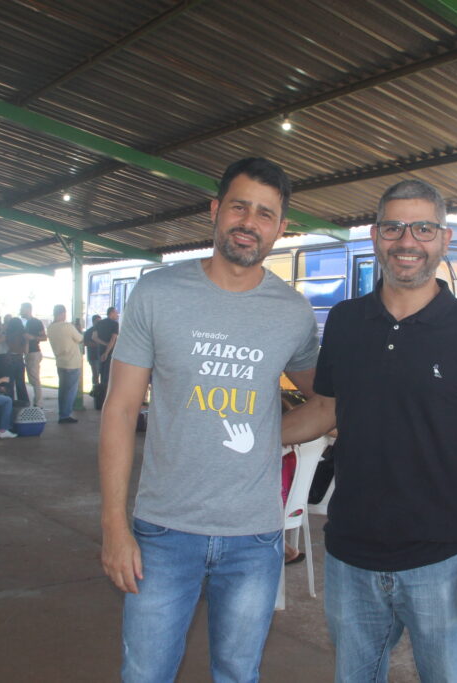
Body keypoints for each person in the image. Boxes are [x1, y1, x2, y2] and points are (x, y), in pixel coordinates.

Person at [282, 179, 457, 682]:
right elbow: (326, 409)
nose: (407, 241)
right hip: (351, 556)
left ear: (444, 239)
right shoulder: (345, 322)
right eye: (393, 227)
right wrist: (250, 436)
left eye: (423, 228)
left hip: (443, 560)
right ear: (375, 235)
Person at [98, 157, 320, 682]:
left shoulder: (292, 312)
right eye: (239, 206)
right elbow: (120, 408)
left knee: (238, 674)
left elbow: (328, 403)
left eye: (266, 213)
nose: (250, 221)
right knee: (145, 673)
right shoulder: (157, 293)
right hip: (163, 530)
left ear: (280, 228)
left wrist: (267, 439)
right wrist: (113, 525)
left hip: (254, 538)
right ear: (216, 211)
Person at [47, 304, 83, 424]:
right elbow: (80, 338)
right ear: (62, 313)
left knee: (62, 390)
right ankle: (65, 414)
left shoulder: (50, 327)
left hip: (60, 362)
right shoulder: (68, 326)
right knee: (70, 391)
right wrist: (78, 328)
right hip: (72, 362)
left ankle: (62, 412)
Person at [19, 303, 47, 407]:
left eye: (22, 309)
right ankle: (37, 401)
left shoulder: (36, 322)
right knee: (32, 379)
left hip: (34, 352)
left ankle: (39, 403)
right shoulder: (23, 322)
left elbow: (44, 337)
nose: (20, 311)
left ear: (28, 309)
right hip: (26, 353)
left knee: (34, 379)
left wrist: (32, 338)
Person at [92, 306, 119, 401]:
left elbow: (94, 337)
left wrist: (103, 344)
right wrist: (107, 352)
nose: (117, 315)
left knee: (101, 374)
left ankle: (100, 397)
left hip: (100, 352)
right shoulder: (115, 324)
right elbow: (113, 339)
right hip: (111, 354)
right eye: (116, 313)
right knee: (109, 376)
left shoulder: (99, 323)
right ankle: (107, 398)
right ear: (111, 313)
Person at [3, 316, 30, 406]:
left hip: (9, 359)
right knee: (20, 383)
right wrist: (27, 341)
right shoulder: (23, 335)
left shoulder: (8, 334)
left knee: (9, 384)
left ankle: (9, 403)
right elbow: (26, 351)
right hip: (19, 359)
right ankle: (24, 403)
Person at [84, 314, 102, 388]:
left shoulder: (102, 330)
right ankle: (96, 389)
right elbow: (85, 342)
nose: (99, 323)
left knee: (103, 374)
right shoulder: (89, 331)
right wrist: (96, 344)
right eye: (98, 321)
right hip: (93, 357)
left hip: (102, 356)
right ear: (93, 321)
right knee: (95, 374)